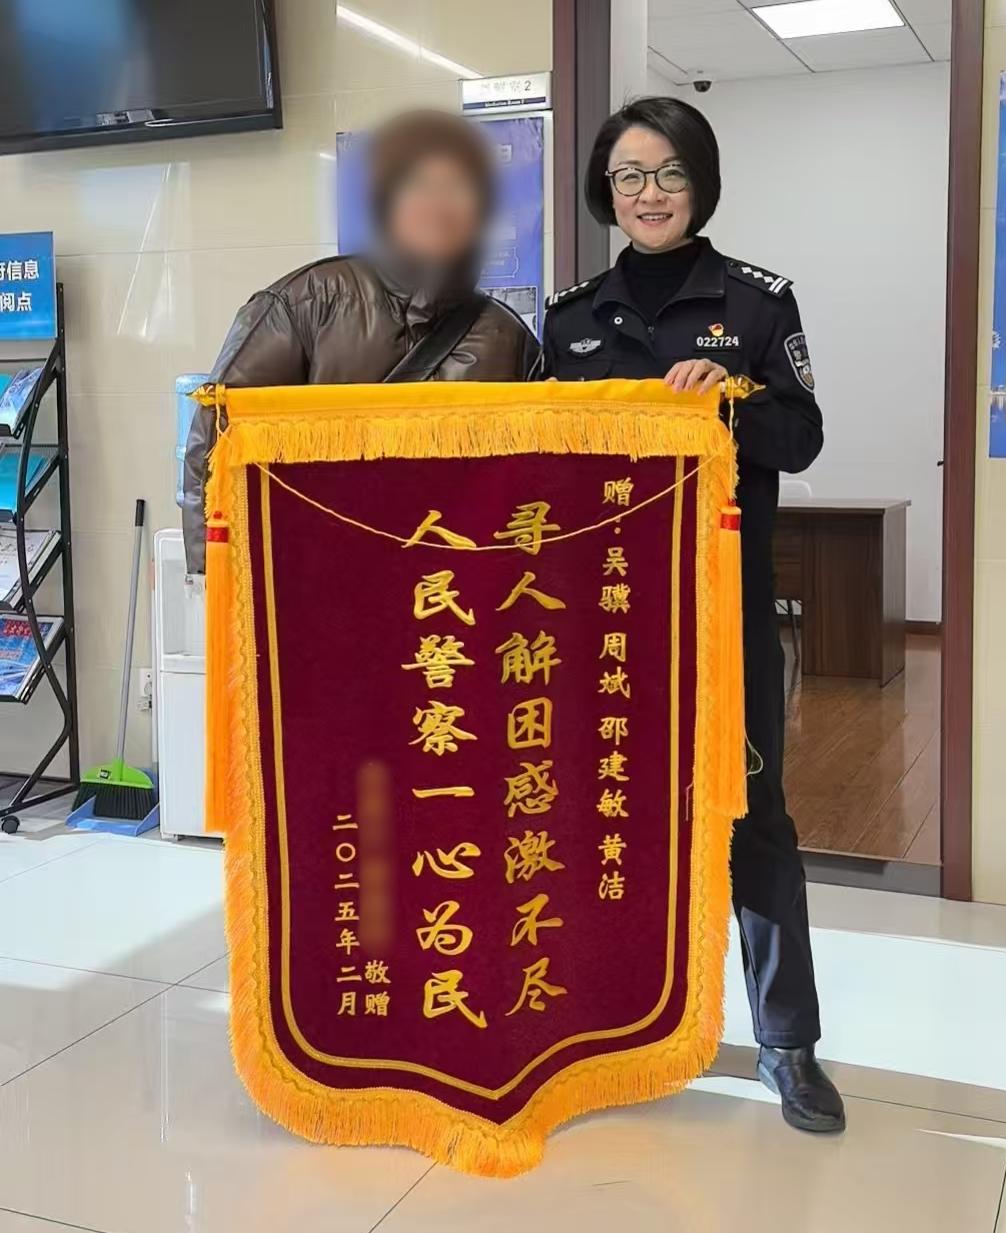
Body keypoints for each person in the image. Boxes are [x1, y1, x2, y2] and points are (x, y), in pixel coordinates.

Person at [541, 96, 844, 1133]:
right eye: (628, 175)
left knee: (754, 819)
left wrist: (733, 397)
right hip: (600, 624)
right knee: (602, 812)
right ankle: (603, 1025)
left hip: (722, 618)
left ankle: (788, 1043)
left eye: (669, 173)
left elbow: (801, 438)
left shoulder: (756, 303)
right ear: (606, 191)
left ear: (701, 184)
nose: (649, 193)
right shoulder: (569, 319)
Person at [182, 108, 539, 573]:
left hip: (450, 581)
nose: (440, 205)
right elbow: (216, 447)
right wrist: (214, 581)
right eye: (420, 185)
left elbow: (533, 478)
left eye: (459, 188)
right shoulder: (307, 303)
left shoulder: (507, 337)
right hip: (318, 576)